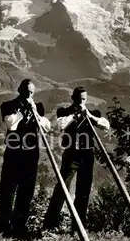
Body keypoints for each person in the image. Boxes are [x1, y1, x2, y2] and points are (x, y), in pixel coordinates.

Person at [43, 86, 110, 232]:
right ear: (73, 99)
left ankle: (78, 227)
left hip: (87, 155)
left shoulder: (92, 114)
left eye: (84, 99)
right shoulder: (64, 112)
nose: (82, 102)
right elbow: (60, 125)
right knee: (62, 188)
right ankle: (50, 224)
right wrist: (75, 115)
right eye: (79, 99)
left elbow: (106, 126)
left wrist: (90, 116)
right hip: (71, 153)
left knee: (83, 191)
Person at [0, 79, 51, 238]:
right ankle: (1, 227)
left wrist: (36, 113)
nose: (29, 95)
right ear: (20, 90)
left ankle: (19, 227)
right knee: (8, 189)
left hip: (31, 154)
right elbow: (11, 125)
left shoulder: (38, 107)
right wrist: (22, 110)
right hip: (14, 152)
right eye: (27, 92)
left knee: (26, 190)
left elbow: (47, 127)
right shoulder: (8, 105)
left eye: (31, 93)